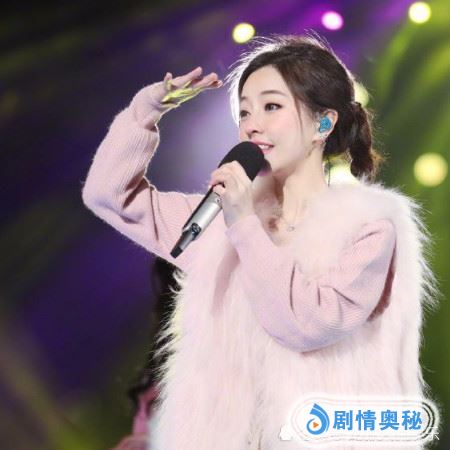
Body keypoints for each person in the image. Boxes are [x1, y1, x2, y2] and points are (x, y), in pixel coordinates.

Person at [82, 33, 440, 450]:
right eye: (245, 111)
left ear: (323, 123)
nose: (252, 124)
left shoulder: (366, 229)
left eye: (271, 106)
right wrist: (146, 109)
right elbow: (109, 195)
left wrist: (244, 224)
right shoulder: (220, 222)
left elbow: (306, 325)